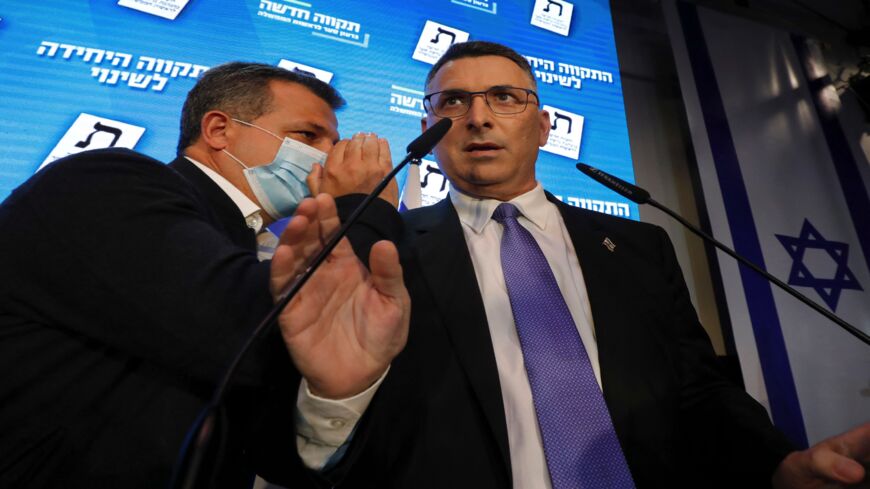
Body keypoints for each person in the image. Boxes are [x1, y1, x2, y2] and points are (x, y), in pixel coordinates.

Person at [291, 41, 870, 489]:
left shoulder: (640, 246)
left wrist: (778, 464)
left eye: (505, 97)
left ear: (543, 127)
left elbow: (697, 391)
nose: (478, 118)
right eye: (453, 102)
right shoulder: (386, 251)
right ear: (429, 132)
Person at [0, 62, 409, 488]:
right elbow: (249, 331)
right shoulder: (107, 182)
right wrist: (365, 207)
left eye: (335, 141)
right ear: (218, 130)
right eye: (308, 136)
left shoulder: (258, 249)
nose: (329, 156)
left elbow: (274, 454)